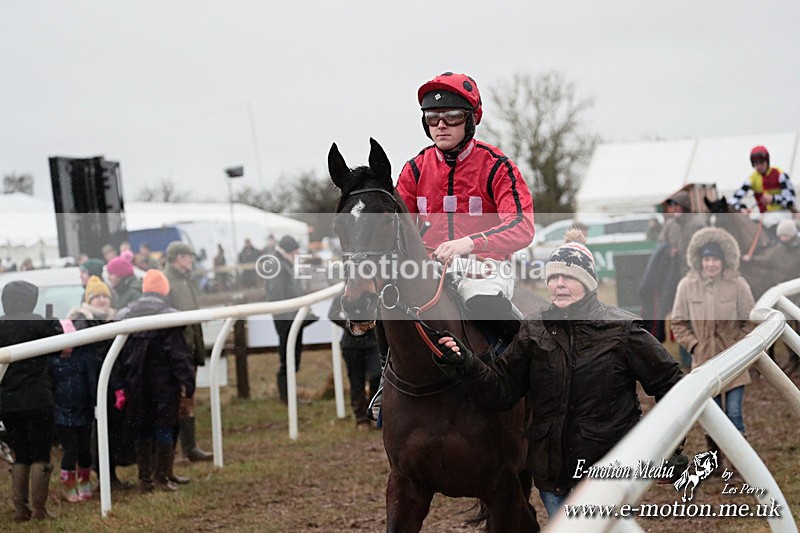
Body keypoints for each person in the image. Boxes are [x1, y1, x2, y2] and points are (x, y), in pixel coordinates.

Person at [432, 229, 684, 518]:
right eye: (553, 277)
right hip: (552, 477)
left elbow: (671, 383)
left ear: (588, 282)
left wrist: (670, 447)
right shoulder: (533, 330)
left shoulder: (623, 331)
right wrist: (467, 363)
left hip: (609, 473)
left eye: (569, 277)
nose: (559, 284)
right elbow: (502, 389)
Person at [395, 71, 535, 338]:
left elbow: (523, 226)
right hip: (429, 268)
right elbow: (396, 228)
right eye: (432, 118)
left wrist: (470, 243)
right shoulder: (414, 169)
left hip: (484, 267)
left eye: (452, 117)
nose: (441, 125)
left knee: (481, 302)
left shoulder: (497, 166)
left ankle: (524, 363)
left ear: (471, 119)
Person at [671, 228, 756, 447]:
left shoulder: (738, 284)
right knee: (714, 415)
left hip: (735, 362)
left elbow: (751, 320)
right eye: (707, 259)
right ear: (699, 261)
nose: (710, 264)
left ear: (724, 261)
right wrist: (694, 345)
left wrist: (738, 344)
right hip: (704, 363)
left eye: (715, 259)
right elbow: (678, 322)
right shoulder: (686, 286)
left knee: (734, 413)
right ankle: (715, 458)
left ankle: (739, 463)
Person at [116, 270, 197, 492]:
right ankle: (162, 477)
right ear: (165, 290)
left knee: (142, 428)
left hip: (134, 384)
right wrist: (189, 384)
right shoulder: (170, 317)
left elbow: (118, 356)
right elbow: (178, 356)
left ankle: (146, 480)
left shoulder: (124, 314)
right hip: (164, 385)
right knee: (164, 427)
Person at [0, 280, 64, 521]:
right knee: (40, 454)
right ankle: (39, 510)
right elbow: (59, 347)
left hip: (7, 401)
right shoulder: (39, 321)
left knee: (21, 453)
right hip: (37, 397)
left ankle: (20, 509)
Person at [65, 276, 135, 491]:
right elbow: (95, 357)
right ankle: (102, 478)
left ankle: (110, 476)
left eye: (105, 296)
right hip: (93, 386)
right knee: (99, 433)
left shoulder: (112, 319)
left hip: (111, 384)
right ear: (89, 299)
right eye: (97, 297)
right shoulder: (83, 320)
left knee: (112, 430)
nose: (103, 301)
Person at [49, 279, 106, 502]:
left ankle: (85, 481)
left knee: (85, 450)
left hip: (83, 409)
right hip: (62, 413)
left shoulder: (84, 358)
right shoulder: (52, 362)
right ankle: (69, 485)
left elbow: (92, 377)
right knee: (69, 451)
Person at [164, 241, 212, 466]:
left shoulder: (187, 281)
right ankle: (172, 452)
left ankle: (190, 448)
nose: (191, 260)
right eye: (187, 256)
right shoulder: (167, 282)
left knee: (189, 399)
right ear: (177, 258)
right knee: (176, 401)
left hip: (190, 348)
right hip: (176, 352)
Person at [266, 235, 317, 403]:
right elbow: (277, 295)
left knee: (292, 359)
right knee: (287, 359)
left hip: (293, 318)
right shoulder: (276, 264)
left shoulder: (283, 262)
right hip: (287, 321)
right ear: (288, 250)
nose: (297, 254)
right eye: (295, 251)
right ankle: (287, 398)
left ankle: (289, 396)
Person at [329, 292, 382, 429]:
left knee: (376, 377)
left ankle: (374, 414)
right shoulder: (343, 294)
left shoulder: (374, 294)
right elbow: (332, 314)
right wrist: (351, 325)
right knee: (356, 381)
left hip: (373, 344)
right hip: (351, 345)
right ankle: (361, 418)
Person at [731, 145, 797, 214]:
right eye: (756, 163)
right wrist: (741, 208)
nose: (759, 166)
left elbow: (791, 200)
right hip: (763, 217)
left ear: (767, 161)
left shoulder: (780, 175)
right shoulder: (750, 180)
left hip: (784, 213)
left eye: (762, 162)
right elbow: (733, 200)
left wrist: (773, 199)